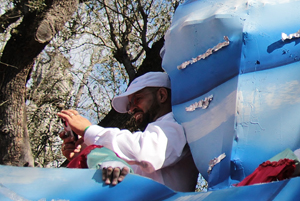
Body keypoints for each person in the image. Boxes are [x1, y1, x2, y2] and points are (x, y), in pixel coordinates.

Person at [57, 72, 198, 192]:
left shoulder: (175, 125)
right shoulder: (155, 133)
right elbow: (130, 171)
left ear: (161, 95)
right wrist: (83, 154)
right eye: (130, 104)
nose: (131, 109)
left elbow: (145, 152)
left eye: (138, 99)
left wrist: (89, 131)